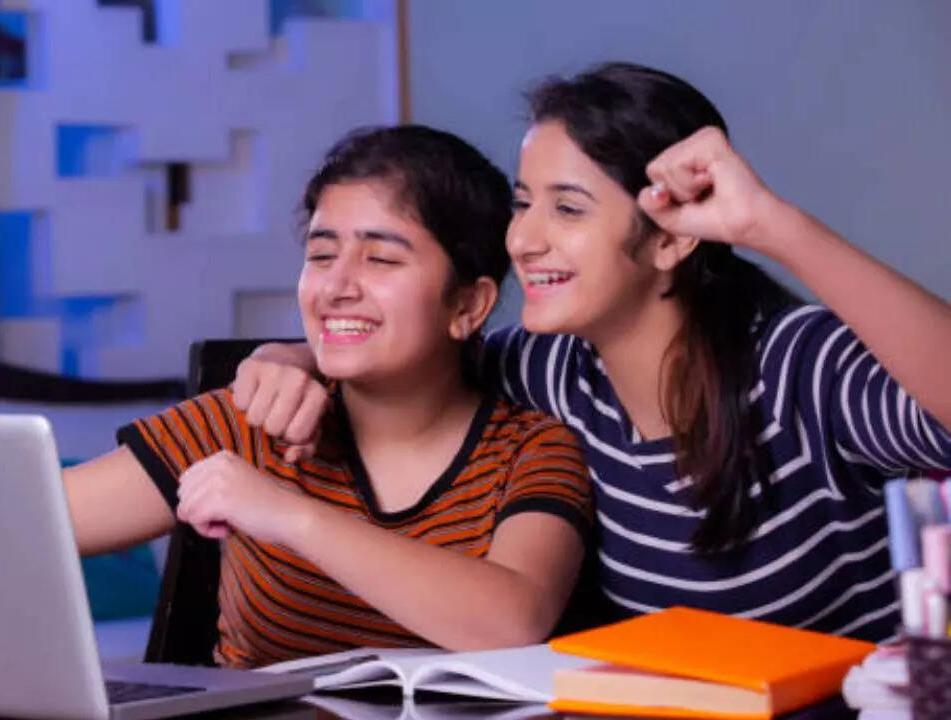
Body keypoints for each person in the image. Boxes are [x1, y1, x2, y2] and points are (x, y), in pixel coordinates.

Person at [231, 63, 951, 642]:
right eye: (523, 204)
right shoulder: (552, 371)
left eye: (568, 209)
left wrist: (769, 224)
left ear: (671, 238)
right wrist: (294, 358)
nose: (523, 240)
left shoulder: (795, 365)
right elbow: (409, 350)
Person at [0, 126, 593, 668]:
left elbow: (510, 619)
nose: (337, 285)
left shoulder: (532, 448)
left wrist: (287, 515)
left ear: (468, 305)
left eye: (380, 258)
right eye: (320, 254)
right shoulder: (247, 423)